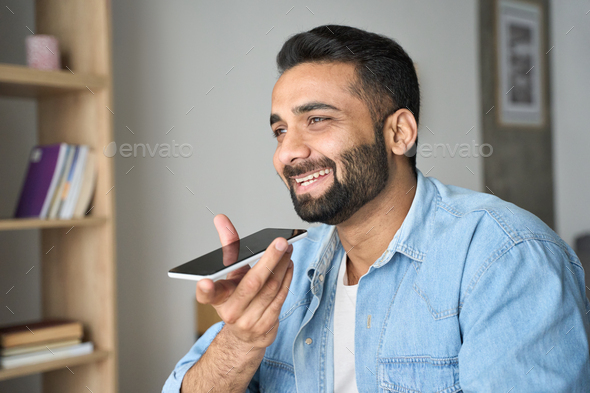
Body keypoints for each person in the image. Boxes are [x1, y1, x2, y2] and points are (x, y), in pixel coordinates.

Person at [162, 24, 590, 392]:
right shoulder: (285, 272)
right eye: (279, 130)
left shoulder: (506, 257)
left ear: (399, 133)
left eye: (317, 120)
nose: (287, 152)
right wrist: (241, 340)